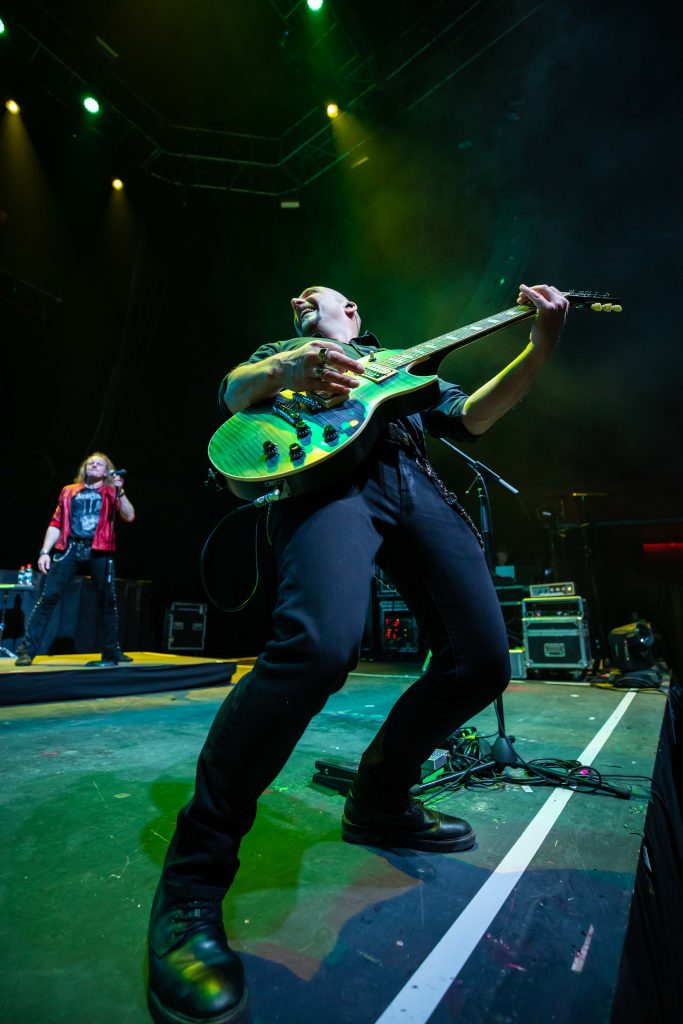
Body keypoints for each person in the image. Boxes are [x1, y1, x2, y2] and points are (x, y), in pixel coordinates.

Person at [146, 283, 569, 1024]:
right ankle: (191, 884)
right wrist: (289, 366)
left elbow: (471, 417)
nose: (300, 296)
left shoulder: (402, 365)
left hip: (412, 481)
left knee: (481, 661)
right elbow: (234, 393)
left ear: (355, 317)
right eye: (296, 300)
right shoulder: (285, 354)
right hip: (324, 486)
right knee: (316, 649)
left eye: (321, 296)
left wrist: (539, 348)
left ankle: (378, 800)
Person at [15, 452, 136, 667]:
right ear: (84, 468)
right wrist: (45, 551)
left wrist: (121, 491)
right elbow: (56, 523)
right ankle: (27, 651)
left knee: (108, 602)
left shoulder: (111, 492)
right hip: (70, 548)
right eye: (90, 463)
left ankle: (112, 650)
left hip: (99, 550)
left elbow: (129, 516)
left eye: (99, 464)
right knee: (48, 597)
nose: (94, 465)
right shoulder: (69, 491)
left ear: (107, 471)